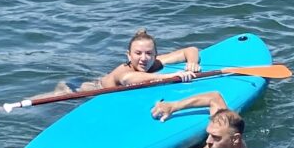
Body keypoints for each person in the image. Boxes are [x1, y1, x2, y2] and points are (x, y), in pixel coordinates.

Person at [68, 28, 200, 92]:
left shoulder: (155, 61)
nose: (144, 58)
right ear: (129, 55)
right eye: (138, 53)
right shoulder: (124, 72)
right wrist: (172, 75)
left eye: (149, 53)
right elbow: (133, 79)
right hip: (83, 89)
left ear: (155, 55)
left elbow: (190, 50)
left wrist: (192, 63)